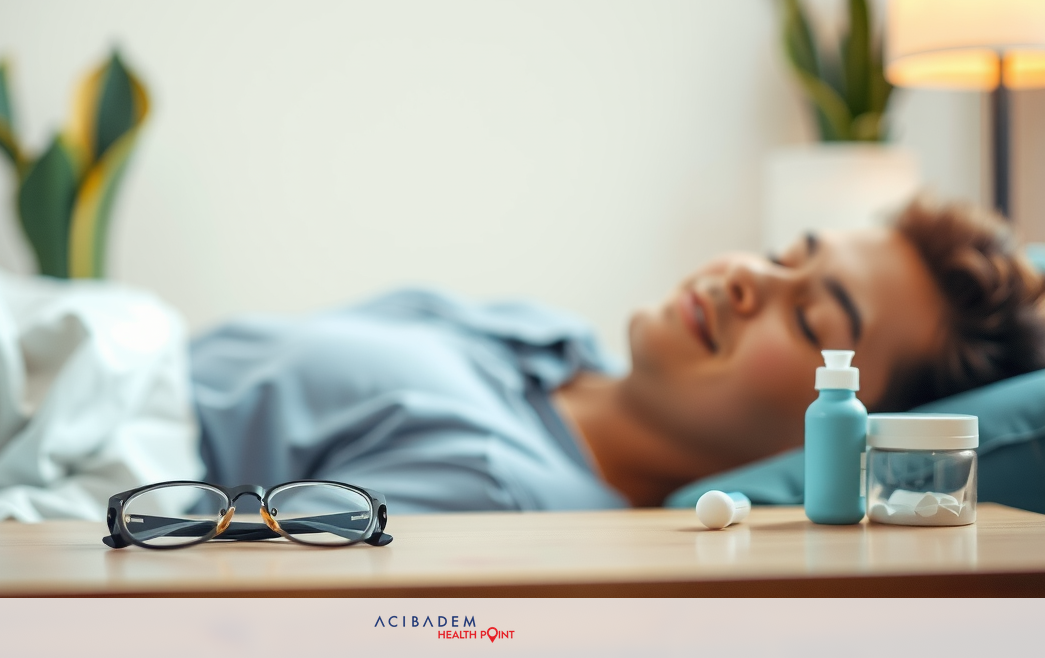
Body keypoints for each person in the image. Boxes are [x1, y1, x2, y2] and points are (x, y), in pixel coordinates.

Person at [192, 196, 1045, 513]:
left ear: (828, 438)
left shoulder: (502, 501)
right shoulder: (547, 335)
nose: (750, 278)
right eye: (787, 255)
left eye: (812, 316)